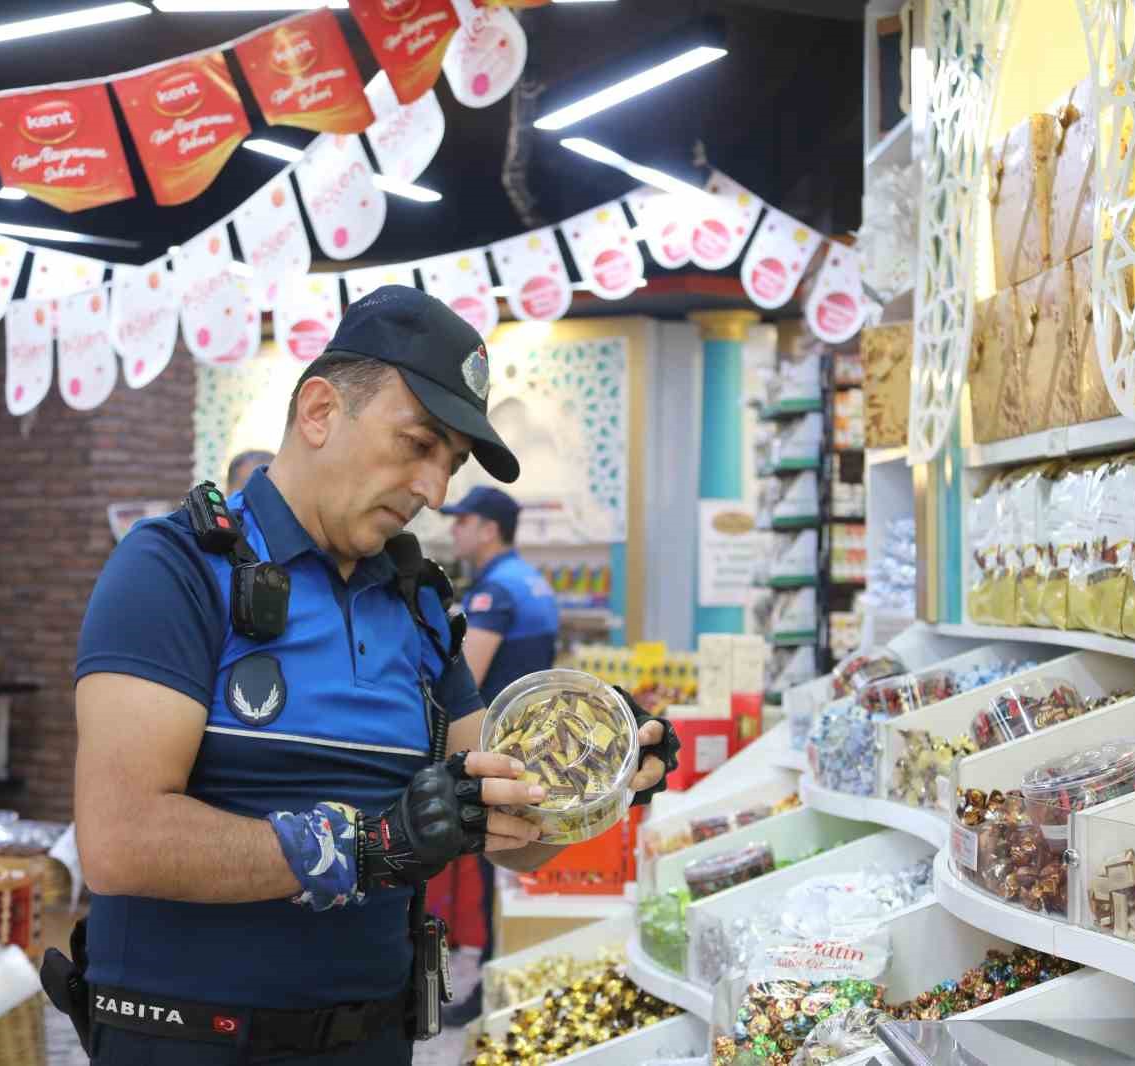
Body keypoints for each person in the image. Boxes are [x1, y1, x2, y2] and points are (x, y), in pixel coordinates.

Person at [66, 287, 678, 1065]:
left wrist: (601, 772)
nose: (435, 492)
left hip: (376, 1042)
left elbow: (511, 832)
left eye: (450, 465)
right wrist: (370, 846)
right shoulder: (174, 568)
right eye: (417, 444)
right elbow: (121, 840)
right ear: (320, 411)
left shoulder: (420, 607)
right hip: (189, 1043)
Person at [437, 486, 560, 1025]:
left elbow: (464, 679)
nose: (454, 531)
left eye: (461, 521)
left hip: (499, 753)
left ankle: (487, 989)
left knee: (495, 866)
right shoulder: (531, 581)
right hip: (536, 747)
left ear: (488, 529)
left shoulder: (495, 592)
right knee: (511, 873)